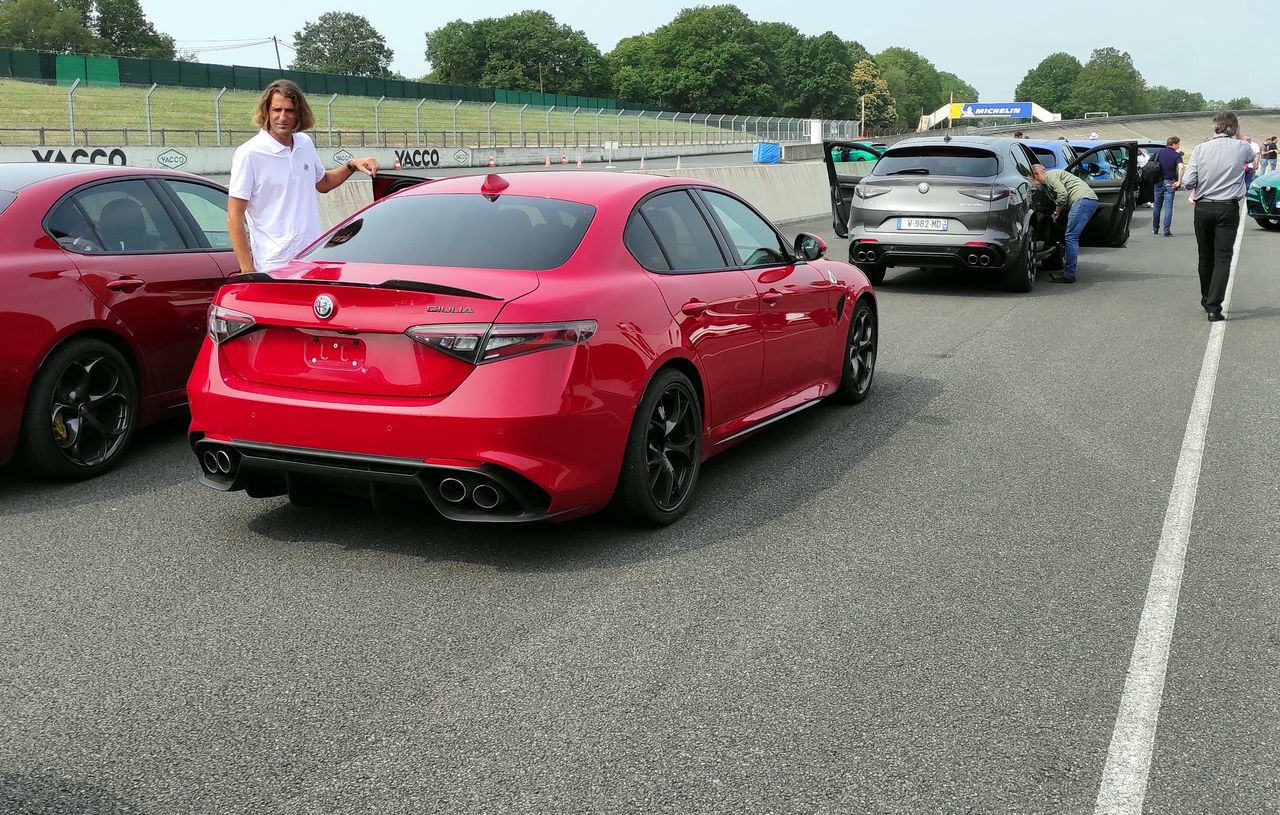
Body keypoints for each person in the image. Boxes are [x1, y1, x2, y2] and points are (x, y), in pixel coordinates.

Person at [228, 79, 379, 273]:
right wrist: (247, 270)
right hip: (274, 265)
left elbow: (323, 183)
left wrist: (351, 165)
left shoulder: (304, 143)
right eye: (277, 110)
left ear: (299, 113)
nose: (282, 117)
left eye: (289, 111)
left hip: (311, 259)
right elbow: (234, 215)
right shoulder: (249, 153)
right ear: (266, 112)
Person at [1182, 111, 1255, 322]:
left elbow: (1189, 181)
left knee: (1205, 255)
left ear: (1214, 127)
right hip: (1227, 207)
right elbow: (1251, 157)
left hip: (1203, 206)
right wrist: (1239, 134)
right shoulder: (1242, 147)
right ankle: (1214, 306)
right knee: (1223, 257)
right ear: (1234, 129)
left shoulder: (1200, 149)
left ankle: (1206, 297)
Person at [1031, 163, 1099, 284]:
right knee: (1070, 236)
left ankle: (1069, 274)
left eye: (1035, 176)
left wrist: (1056, 212)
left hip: (1082, 201)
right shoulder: (1053, 176)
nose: (1036, 179)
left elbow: (1062, 194)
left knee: (1071, 237)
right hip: (1087, 200)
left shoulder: (1050, 176)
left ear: (1038, 173)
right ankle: (1068, 272)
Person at [1151, 137, 1184, 237]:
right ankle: (1166, 230)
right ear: (1173, 144)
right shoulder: (1176, 155)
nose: (1179, 146)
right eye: (1178, 144)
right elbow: (1181, 167)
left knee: (1157, 205)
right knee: (1168, 207)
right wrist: (1179, 181)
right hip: (1170, 182)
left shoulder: (1159, 153)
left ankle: (1155, 228)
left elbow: (1150, 163)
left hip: (1158, 181)